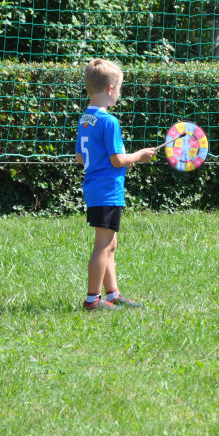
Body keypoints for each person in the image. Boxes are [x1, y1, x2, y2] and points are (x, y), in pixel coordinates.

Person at [75, 58, 157, 311]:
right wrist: (139, 156)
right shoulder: (110, 121)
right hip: (107, 190)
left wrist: (117, 162)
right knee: (102, 245)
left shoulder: (86, 118)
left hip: (96, 187)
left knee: (111, 243)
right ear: (110, 89)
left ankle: (112, 295)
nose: (120, 93)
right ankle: (93, 300)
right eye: (120, 88)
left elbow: (81, 156)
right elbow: (118, 158)